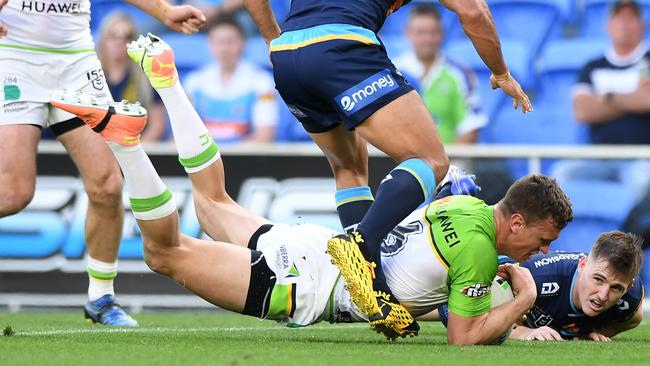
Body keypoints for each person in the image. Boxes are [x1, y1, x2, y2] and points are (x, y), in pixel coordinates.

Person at [49, 34, 572, 344]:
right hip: (304, 286)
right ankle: (126, 144)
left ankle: (170, 86)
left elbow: (430, 296)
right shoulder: (481, 253)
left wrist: (508, 323)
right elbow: (463, 335)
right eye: (543, 239)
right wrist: (523, 296)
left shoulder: (459, 199)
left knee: (213, 204)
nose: (541, 252)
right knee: (166, 252)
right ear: (518, 221)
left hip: (315, 248)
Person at [243, 0, 533, 337]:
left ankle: (375, 289)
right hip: (341, 48)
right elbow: (473, 11)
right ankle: (361, 245)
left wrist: (271, 39)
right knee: (432, 161)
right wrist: (501, 73)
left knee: (348, 167)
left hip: (288, 56)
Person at [0, 0, 205, 326]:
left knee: (108, 185)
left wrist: (165, 12)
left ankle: (100, 296)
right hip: (15, 59)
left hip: (75, 64)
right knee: (13, 193)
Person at [434, 231, 644, 341]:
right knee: (446, 306)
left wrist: (592, 331)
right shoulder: (538, 276)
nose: (603, 295)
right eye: (598, 279)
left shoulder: (630, 300)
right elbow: (480, 319)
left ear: (629, 285)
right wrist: (522, 332)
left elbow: (631, 320)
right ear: (582, 265)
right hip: (472, 285)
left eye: (616, 288)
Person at [551, 0, 650, 203]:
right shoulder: (592, 67)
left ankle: (633, 236)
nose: (625, 24)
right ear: (608, 25)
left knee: (641, 184)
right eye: (619, 18)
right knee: (560, 176)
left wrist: (607, 97)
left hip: (642, 157)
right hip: (598, 156)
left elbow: (647, 101)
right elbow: (582, 111)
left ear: (643, 24)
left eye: (631, 18)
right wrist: (633, 99)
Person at [394, 3, 487, 144]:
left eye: (433, 32)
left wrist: (445, 163)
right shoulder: (392, 71)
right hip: (399, 161)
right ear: (408, 33)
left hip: (450, 160)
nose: (427, 39)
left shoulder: (460, 73)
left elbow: (471, 127)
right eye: (420, 32)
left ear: (442, 34)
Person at [184, 15, 278, 144]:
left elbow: (264, 136)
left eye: (231, 41)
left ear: (243, 43)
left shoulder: (261, 81)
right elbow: (185, 134)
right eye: (219, 42)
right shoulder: (194, 81)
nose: (225, 48)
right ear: (209, 45)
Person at [97, 11, 167, 142]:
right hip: (97, 151)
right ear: (103, 41)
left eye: (127, 36)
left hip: (137, 151)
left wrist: (134, 155)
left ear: (133, 42)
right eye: (113, 35)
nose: (120, 41)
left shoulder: (147, 79)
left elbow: (157, 126)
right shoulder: (90, 78)